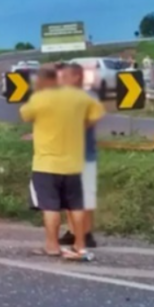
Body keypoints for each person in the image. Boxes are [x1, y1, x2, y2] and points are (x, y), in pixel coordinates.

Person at [20, 67, 105, 259]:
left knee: (50, 207)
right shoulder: (81, 98)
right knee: (76, 205)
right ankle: (80, 246)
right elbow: (96, 114)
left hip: (47, 163)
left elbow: (25, 114)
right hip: (74, 163)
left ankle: (52, 246)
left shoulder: (42, 98)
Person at [58, 63, 98, 249]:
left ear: (76, 77)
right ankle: (73, 231)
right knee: (70, 196)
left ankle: (86, 233)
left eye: (64, 77)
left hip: (83, 154)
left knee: (84, 195)